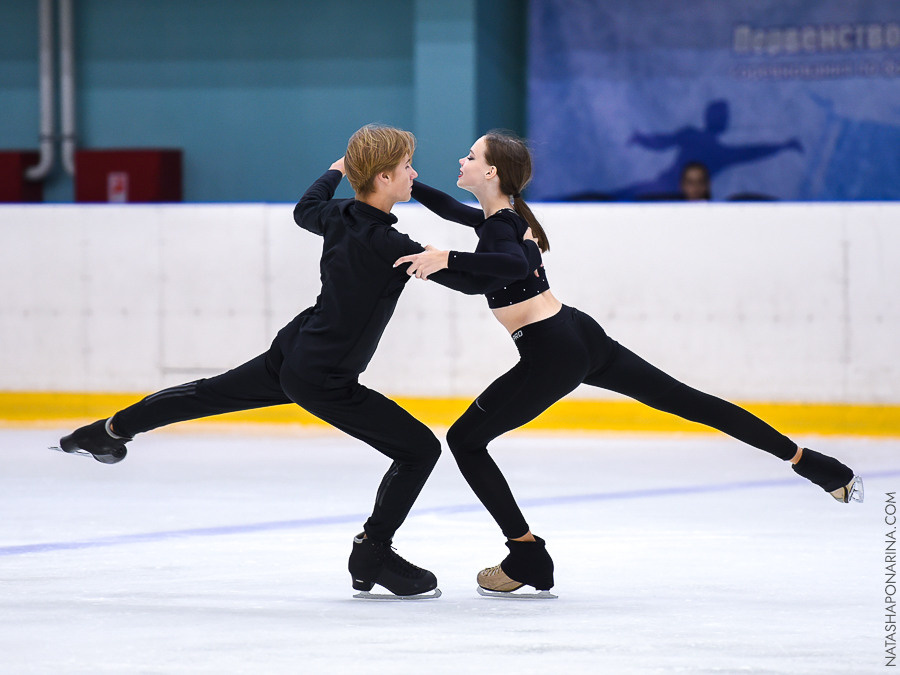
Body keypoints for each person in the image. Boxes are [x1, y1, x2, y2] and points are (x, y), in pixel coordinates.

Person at [394, 130, 863, 598]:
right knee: (688, 401)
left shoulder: (499, 228)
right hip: (579, 333)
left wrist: (444, 257)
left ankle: (527, 554)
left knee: (464, 440)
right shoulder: (504, 218)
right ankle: (813, 463)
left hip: (551, 350)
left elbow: (507, 268)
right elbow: (473, 255)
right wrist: (407, 189)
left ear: (491, 171)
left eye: (471, 155)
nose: (462, 159)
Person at [54, 124, 506, 600]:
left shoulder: (338, 216)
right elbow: (476, 284)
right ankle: (372, 552)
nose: (414, 174)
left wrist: (334, 171)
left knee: (207, 394)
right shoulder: (389, 246)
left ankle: (109, 431)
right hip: (323, 374)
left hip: (298, 347)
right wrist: (490, 254)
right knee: (419, 450)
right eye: (407, 167)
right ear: (383, 178)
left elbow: (304, 208)